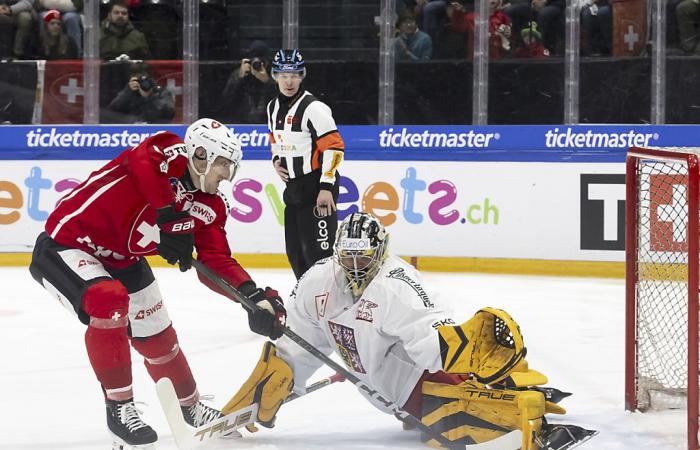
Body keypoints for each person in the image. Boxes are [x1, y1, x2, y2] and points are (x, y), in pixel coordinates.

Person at [223, 212, 596, 449]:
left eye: (363, 257)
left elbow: (431, 344)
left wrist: (460, 348)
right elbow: (300, 346)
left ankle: (516, 399)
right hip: (389, 393)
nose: (354, 266)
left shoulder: (396, 285)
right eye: (348, 256)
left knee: (457, 423)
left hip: (420, 381)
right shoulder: (316, 282)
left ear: (380, 253)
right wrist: (266, 387)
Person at [28, 118, 287, 449]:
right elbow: (141, 164)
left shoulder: (210, 207)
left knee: (159, 338)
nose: (226, 174)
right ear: (201, 155)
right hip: (68, 244)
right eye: (222, 164)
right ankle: (120, 408)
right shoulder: (168, 151)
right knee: (109, 300)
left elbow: (215, 260)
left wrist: (252, 297)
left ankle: (190, 408)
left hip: (123, 259)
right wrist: (167, 214)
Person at [266, 49, 345, 280]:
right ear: (275, 76)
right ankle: (308, 305)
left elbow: (334, 147)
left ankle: (330, 307)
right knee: (296, 253)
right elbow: (275, 137)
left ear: (302, 75)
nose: (288, 81)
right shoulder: (272, 107)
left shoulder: (314, 108)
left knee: (319, 255)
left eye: (294, 75)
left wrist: (326, 187)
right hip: (293, 188)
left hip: (316, 185)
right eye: (283, 75)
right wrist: (276, 160)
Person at [219, 40, 277, 124]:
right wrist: (238, 77)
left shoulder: (274, 75)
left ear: (268, 61)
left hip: (267, 123)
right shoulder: (241, 74)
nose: (258, 65)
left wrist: (268, 81)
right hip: (241, 123)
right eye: (255, 62)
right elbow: (224, 103)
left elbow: (283, 102)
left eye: (262, 61)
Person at [105, 61, 175, 123]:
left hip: (154, 128)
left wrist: (149, 96)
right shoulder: (128, 91)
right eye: (138, 79)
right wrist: (127, 91)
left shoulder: (160, 91)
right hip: (130, 130)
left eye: (144, 79)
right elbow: (112, 111)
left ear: (150, 78)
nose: (141, 82)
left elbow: (169, 113)